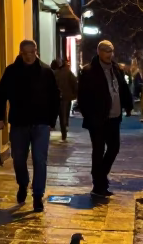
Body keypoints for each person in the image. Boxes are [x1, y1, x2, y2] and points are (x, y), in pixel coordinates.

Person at [0, 40, 60, 213]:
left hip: (41, 123)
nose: (29, 56)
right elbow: (1, 95)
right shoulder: (12, 71)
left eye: (32, 52)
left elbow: (54, 97)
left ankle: (38, 195)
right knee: (18, 158)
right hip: (19, 122)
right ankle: (23, 183)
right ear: (21, 53)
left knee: (40, 159)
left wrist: (51, 120)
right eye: (25, 53)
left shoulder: (46, 72)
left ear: (36, 51)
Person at [76, 39, 134, 199]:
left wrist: (128, 106)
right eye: (106, 51)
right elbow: (82, 96)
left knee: (114, 148)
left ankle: (100, 176)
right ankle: (98, 183)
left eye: (111, 51)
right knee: (98, 149)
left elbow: (123, 89)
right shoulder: (89, 71)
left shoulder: (116, 69)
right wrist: (88, 114)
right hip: (97, 118)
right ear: (99, 52)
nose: (109, 54)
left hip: (114, 116)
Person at [50, 55, 78, 141]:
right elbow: (74, 83)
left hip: (56, 97)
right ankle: (64, 129)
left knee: (57, 113)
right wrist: (75, 94)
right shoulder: (68, 72)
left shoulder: (53, 73)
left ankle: (55, 126)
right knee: (64, 114)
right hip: (66, 96)